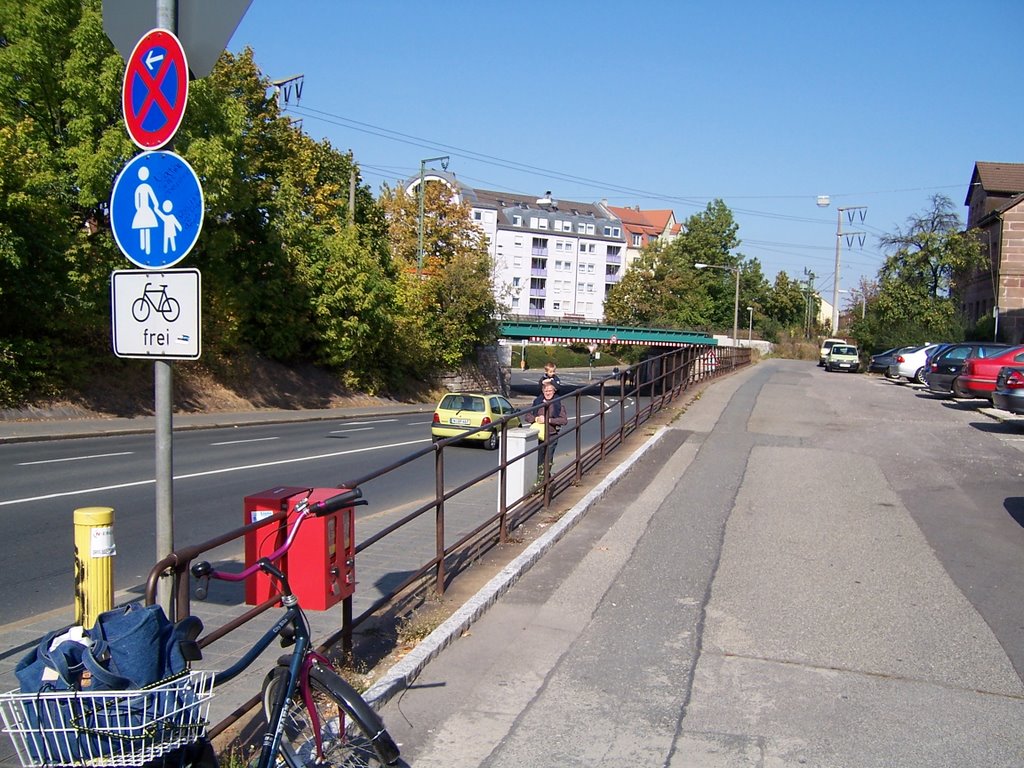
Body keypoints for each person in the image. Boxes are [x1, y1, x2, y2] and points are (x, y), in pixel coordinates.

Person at [523, 382, 568, 480]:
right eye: (546, 391)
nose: (548, 393)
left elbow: (564, 420)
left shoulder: (558, 403)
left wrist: (548, 420)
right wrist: (536, 419)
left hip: (551, 435)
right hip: (538, 436)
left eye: (550, 391)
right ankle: (541, 479)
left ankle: (545, 480)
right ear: (543, 392)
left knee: (548, 459)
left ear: (554, 391)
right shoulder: (537, 402)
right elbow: (527, 416)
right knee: (539, 460)